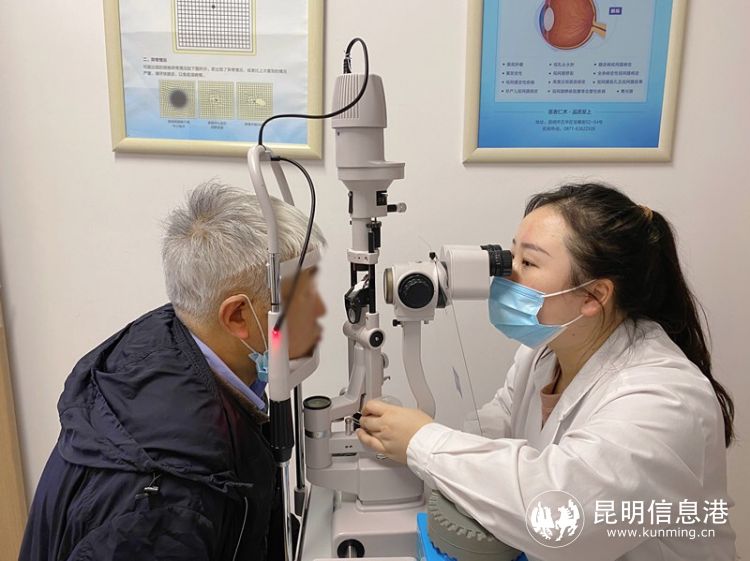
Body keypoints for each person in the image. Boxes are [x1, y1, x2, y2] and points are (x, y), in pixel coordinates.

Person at [357, 183, 736, 560]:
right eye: (512, 255)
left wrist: (424, 443)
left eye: (528, 263)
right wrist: (414, 444)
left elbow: (562, 515)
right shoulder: (544, 352)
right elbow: (497, 428)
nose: (505, 273)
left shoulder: (664, 397)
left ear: (594, 296)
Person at [19, 182, 327, 561]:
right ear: (237, 316)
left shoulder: (173, 338)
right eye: (303, 296)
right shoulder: (166, 505)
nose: (320, 309)